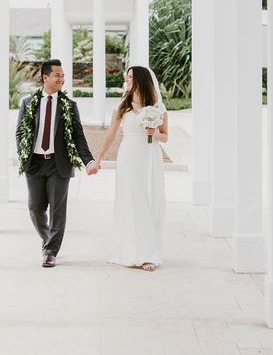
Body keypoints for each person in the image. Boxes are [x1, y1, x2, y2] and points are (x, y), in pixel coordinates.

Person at [16, 59, 99, 267]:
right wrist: (23, 155)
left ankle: (51, 251)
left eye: (63, 76)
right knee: (35, 208)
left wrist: (88, 161)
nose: (62, 79)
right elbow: (19, 132)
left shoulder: (69, 106)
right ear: (46, 78)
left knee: (57, 211)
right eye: (57, 75)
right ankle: (47, 239)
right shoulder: (28, 103)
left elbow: (78, 137)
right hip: (34, 163)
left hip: (58, 164)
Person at [96, 65, 167, 271]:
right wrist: (98, 157)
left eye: (130, 77)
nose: (126, 80)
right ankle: (132, 249)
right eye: (126, 77)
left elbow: (165, 136)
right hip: (128, 156)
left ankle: (148, 252)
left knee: (148, 199)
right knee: (131, 200)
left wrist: (152, 132)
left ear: (141, 80)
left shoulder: (156, 107)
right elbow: (110, 135)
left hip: (150, 157)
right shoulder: (122, 107)